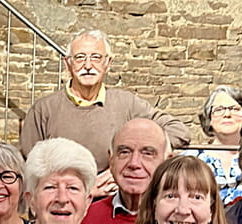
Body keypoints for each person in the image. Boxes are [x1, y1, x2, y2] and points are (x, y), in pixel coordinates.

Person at [19, 30, 189, 196]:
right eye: (80, 57)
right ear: (68, 64)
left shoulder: (127, 104)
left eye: (96, 57)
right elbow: (31, 172)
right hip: (62, 206)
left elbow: (178, 131)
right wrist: (83, 191)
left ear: (107, 63)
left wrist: (120, 167)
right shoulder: (44, 110)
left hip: (115, 205)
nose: (87, 66)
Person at [81, 118, 172, 224]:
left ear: (167, 162)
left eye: (147, 153)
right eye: (124, 152)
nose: (134, 163)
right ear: (111, 160)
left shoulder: (181, 222)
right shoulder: (83, 218)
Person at [182, 85, 242, 205]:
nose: (227, 114)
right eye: (219, 109)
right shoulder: (190, 159)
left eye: (234, 109)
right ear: (209, 118)